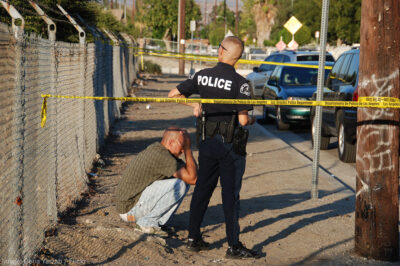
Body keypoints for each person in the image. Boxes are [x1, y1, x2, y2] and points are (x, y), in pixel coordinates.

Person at [168, 36, 259, 259]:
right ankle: (233, 246)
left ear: (220, 51)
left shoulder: (203, 76)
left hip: (207, 143)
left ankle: (193, 238)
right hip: (231, 146)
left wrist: (194, 104)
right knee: (230, 196)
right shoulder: (241, 83)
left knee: (202, 190)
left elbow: (173, 95)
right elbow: (244, 121)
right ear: (238, 57)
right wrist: (254, 120)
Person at [114, 127, 197, 236]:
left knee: (183, 181)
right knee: (179, 184)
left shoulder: (160, 150)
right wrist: (187, 149)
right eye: (181, 146)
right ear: (171, 142)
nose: (182, 151)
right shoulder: (162, 156)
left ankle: (156, 223)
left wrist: (185, 146)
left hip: (133, 204)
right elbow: (193, 179)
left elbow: (191, 175)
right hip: (129, 210)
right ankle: (146, 224)